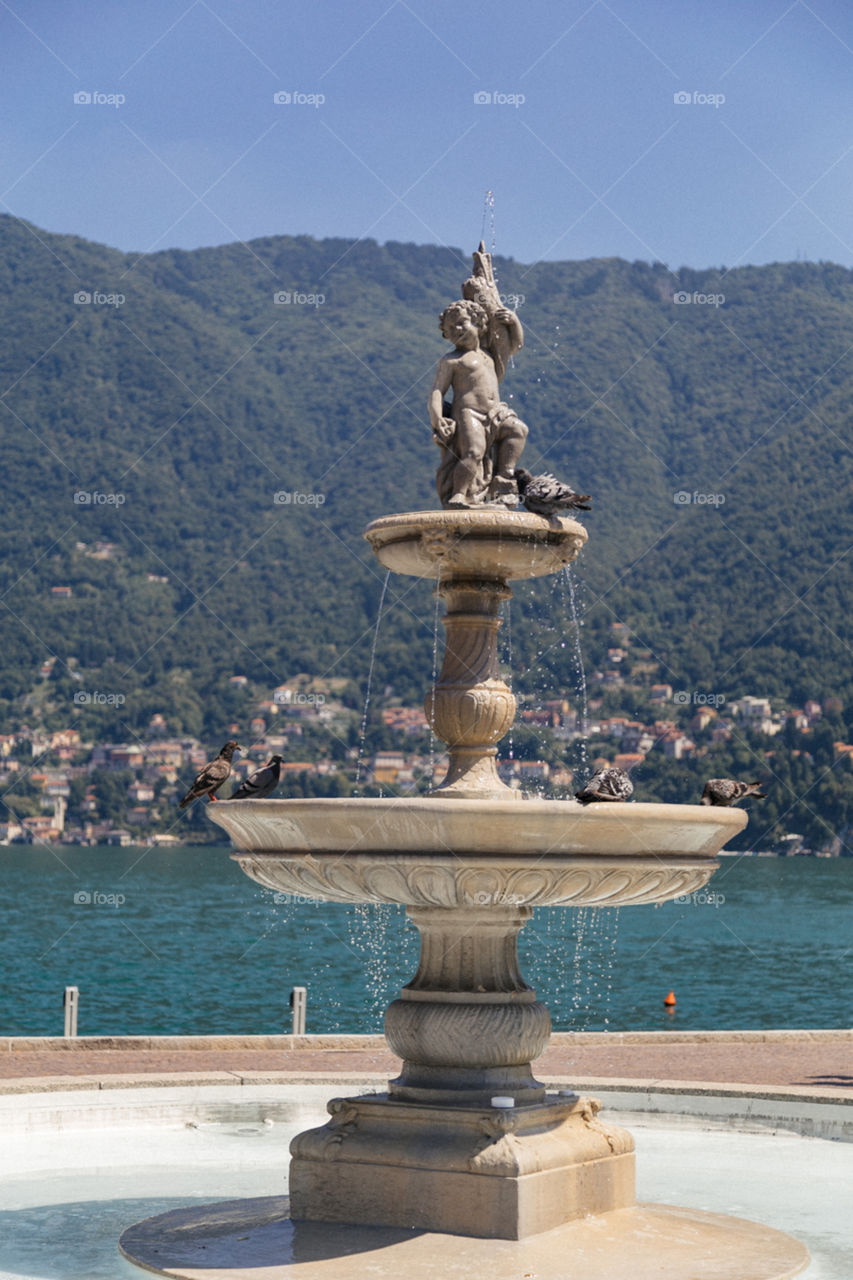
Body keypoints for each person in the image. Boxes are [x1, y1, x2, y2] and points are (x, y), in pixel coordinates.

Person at [429, 284, 528, 509]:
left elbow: (516, 345)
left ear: (478, 322)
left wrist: (514, 322)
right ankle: (458, 495)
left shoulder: (490, 355)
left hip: (496, 413)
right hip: (469, 413)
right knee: (473, 452)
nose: (457, 330)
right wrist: (438, 419)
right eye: (451, 329)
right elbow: (437, 391)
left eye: (461, 323)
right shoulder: (452, 360)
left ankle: (504, 479)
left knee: (518, 430)